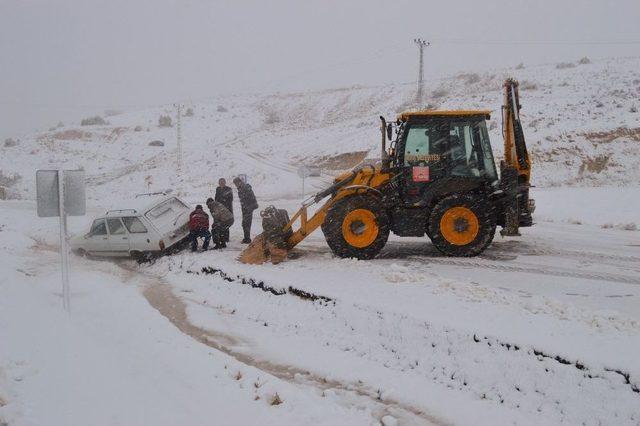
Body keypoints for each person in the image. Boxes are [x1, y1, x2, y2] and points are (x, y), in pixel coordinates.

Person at [233, 177, 258, 243]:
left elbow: (251, 197)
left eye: (236, 183)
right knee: (245, 223)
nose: (236, 185)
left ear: (240, 182)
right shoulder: (241, 188)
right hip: (245, 208)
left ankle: (247, 239)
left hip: (248, 208)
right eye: (235, 184)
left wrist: (249, 207)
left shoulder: (245, 187)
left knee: (246, 223)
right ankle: (246, 238)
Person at [214, 178, 233, 243]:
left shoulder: (229, 189)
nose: (221, 183)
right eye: (220, 182)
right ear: (219, 183)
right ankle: (221, 237)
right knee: (220, 223)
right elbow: (216, 198)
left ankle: (226, 238)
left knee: (226, 223)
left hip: (227, 209)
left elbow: (230, 199)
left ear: (225, 182)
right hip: (219, 210)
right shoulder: (218, 189)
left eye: (223, 182)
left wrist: (224, 204)